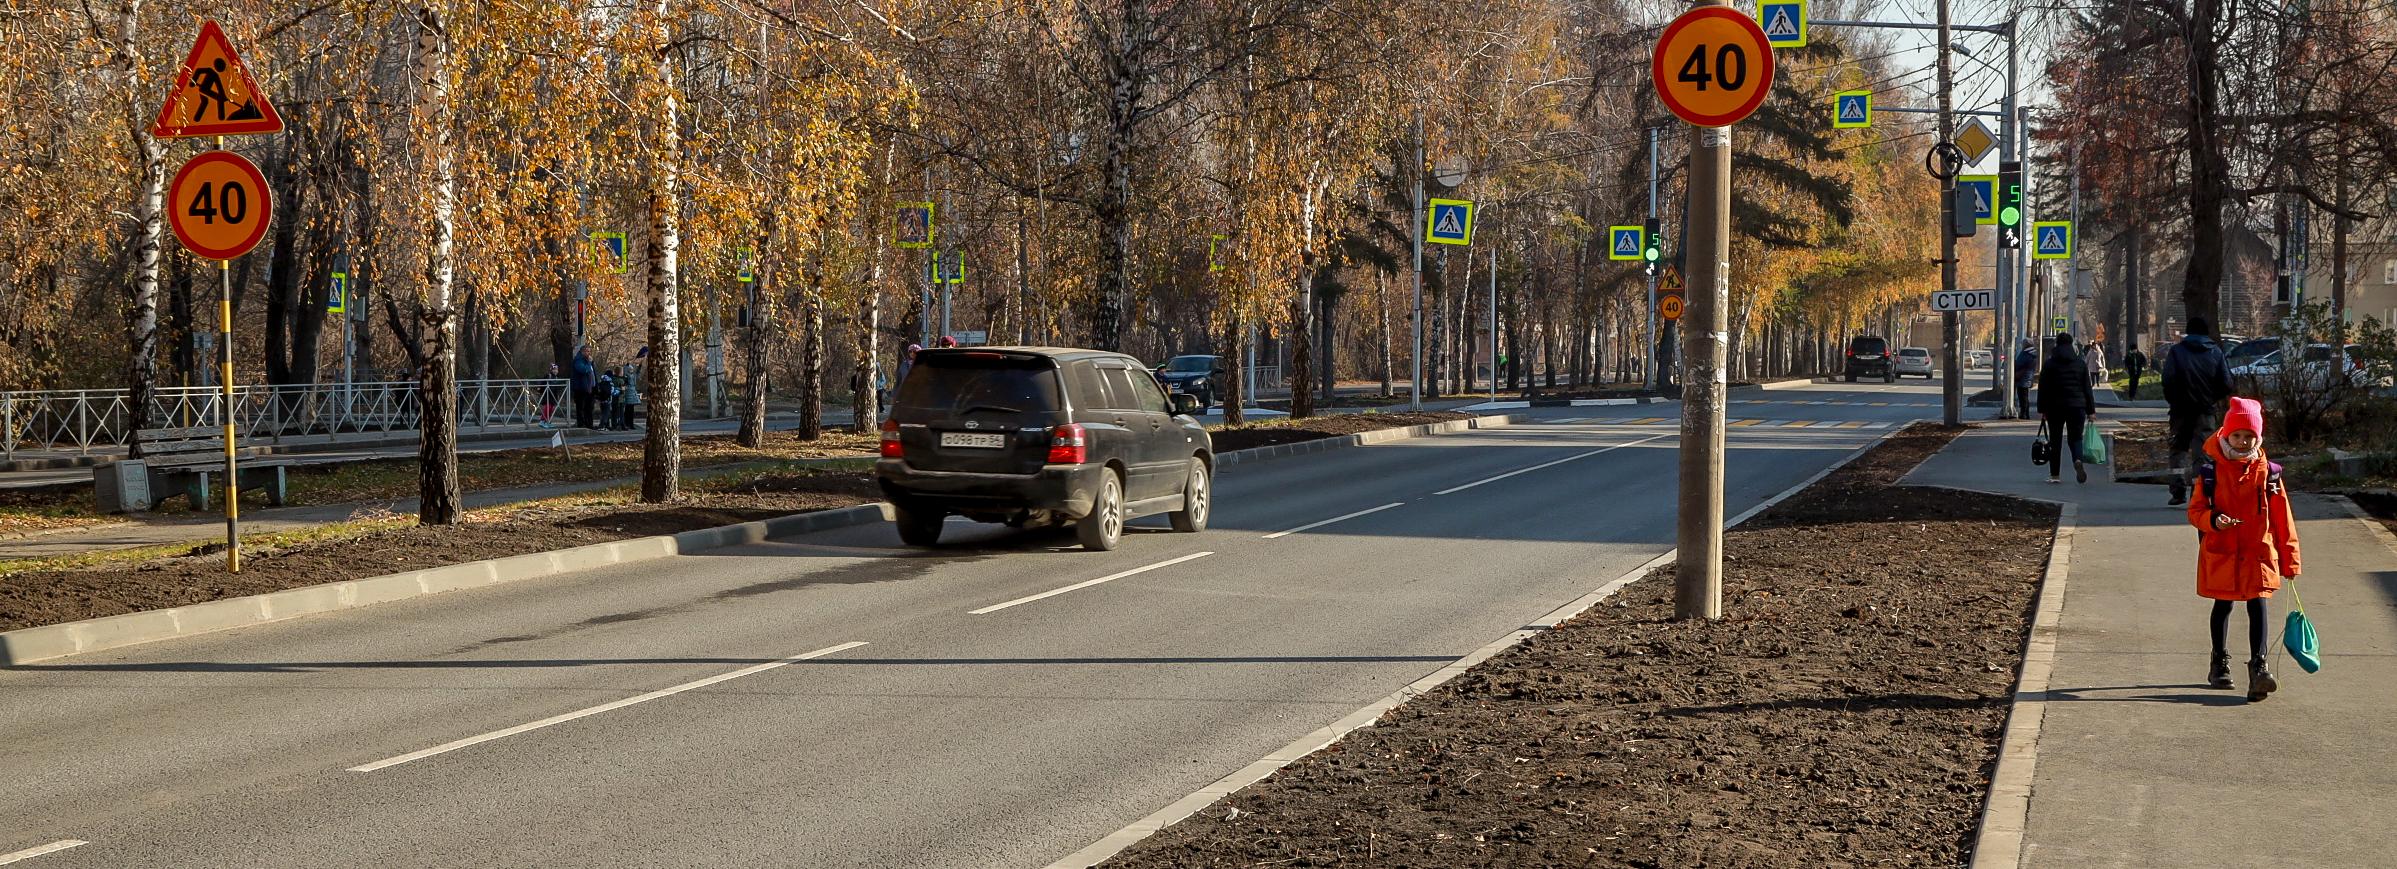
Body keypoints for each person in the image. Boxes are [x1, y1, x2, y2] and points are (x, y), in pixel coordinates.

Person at [2188, 396, 2301, 701]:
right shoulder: (2210, 471)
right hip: (2222, 550)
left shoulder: (2269, 474)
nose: (2242, 442)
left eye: (2249, 436)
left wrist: (2290, 560)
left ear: (2258, 437)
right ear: (2225, 434)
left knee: (2258, 605)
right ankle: (2219, 661)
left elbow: (2282, 520)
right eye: (2237, 435)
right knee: (2222, 605)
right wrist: (2214, 520)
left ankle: (2259, 669)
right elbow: (2195, 511)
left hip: (2257, 552)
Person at [2160, 316, 2234, 506]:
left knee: (2178, 449)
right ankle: (2199, 492)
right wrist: (2211, 398)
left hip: (2180, 411)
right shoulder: (2215, 352)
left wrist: (2174, 400)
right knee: (2203, 452)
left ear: (2188, 331)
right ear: (2206, 332)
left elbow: (2168, 379)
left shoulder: (2176, 351)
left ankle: (2177, 491)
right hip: (2204, 411)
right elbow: (2226, 383)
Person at [2037, 332, 2099, 483]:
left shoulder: (2049, 364)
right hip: (2077, 407)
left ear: (2056, 345)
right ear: (2071, 344)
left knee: (2055, 440)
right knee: (2075, 438)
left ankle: (2055, 475)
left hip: (2054, 407)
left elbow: (2043, 388)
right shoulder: (2080, 363)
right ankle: (2077, 460)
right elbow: (2087, 389)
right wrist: (2091, 411)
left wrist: (2042, 409)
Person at [570, 347, 597, 429]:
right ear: (582, 352)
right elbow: (583, 370)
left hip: (590, 388)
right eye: (587, 351)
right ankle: (581, 423)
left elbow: (593, 372)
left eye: (589, 351)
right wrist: (589, 363)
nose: (589, 353)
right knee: (581, 407)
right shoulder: (578, 360)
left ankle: (589, 423)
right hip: (581, 388)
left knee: (589, 407)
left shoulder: (588, 361)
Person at [2013, 337, 2038, 420]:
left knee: (2023, 397)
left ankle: (2023, 414)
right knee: (2025, 397)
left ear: (2025, 345)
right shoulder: (2032, 353)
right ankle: (2025, 413)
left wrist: (2014, 363)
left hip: (2023, 378)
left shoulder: (2026, 353)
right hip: (2027, 377)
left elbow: (2020, 363)